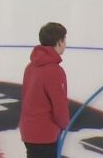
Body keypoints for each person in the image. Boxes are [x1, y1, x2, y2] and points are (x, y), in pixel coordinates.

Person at [19, 22, 69, 158]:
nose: (65, 44)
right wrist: (65, 124)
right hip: (44, 135)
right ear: (59, 42)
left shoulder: (31, 67)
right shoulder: (55, 71)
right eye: (64, 40)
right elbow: (59, 107)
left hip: (28, 132)